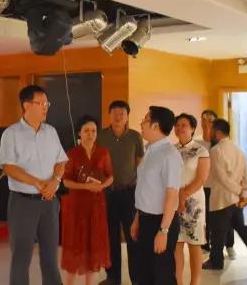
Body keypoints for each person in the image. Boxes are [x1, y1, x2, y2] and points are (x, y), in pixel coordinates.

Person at [0, 85, 68, 285]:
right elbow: (9, 167)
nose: (46, 107)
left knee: (50, 256)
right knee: (21, 256)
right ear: (26, 105)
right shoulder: (11, 133)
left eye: (47, 103)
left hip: (49, 202)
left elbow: (61, 161)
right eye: (41, 103)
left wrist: (55, 181)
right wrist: (37, 183)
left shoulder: (51, 132)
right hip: (23, 203)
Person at [202, 118, 247, 275]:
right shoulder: (238, 149)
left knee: (217, 232)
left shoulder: (216, 150)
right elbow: (246, 173)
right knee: (242, 229)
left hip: (222, 198)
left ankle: (216, 261)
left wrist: (238, 191)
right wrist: (243, 192)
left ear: (217, 132)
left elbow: (221, 178)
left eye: (211, 129)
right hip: (235, 200)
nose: (209, 132)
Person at [131, 106, 183, 285]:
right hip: (145, 220)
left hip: (161, 222)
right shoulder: (150, 151)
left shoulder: (170, 155)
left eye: (145, 120)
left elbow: (172, 195)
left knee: (162, 275)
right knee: (145, 274)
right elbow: (145, 189)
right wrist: (137, 218)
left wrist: (163, 231)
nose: (141, 123)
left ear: (155, 126)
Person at [61, 115, 114, 285]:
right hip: (77, 206)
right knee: (75, 246)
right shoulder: (72, 153)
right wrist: (85, 187)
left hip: (97, 205)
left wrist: (102, 186)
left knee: (94, 246)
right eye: (86, 131)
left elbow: (111, 176)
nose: (90, 134)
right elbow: (66, 181)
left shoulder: (103, 152)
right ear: (79, 133)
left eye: (93, 131)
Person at [97, 100, 144, 285]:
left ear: (127, 117)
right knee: (110, 237)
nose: (118, 117)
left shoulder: (135, 137)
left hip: (129, 193)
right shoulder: (101, 136)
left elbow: (140, 164)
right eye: (115, 113)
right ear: (109, 115)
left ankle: (137, 279)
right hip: (107, 193)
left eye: (122, 114)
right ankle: (113, 278)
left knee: (133, 236)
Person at [173, 113, 210, 285]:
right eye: (177, 125)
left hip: (193, 203)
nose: (180, 128)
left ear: (193, 128)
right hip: (173, 203)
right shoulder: (171, 150)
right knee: (177, 243)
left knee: (194, 243)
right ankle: (178, 282)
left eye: (184, 125)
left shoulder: (201, 151)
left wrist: (183, 194)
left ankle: (195, 282)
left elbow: (201, 179)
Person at [200, 109, 235, 257]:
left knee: (224, 218)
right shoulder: (197, 142)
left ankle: (229, 245)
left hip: (220, 187)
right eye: (204, 120)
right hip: (203, 186)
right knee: (205, 217)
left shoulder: (222, 143)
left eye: (210, 120)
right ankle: (205, 244)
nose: (206, 123)